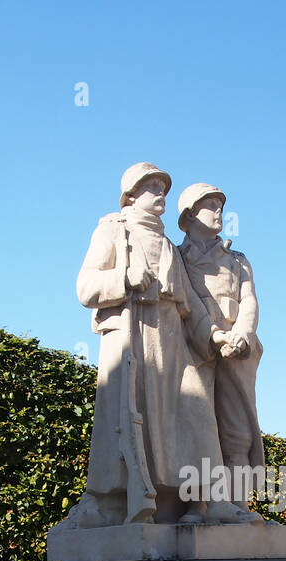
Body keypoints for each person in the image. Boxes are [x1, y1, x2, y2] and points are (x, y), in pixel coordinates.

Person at [63, 163, 253, 527]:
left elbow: (191, 304)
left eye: (163, 187)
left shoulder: (167, 244)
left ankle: (211, 501)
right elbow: (85, 287)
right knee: (122, 421)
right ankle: (110, 500)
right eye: (151, 187)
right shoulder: (112, 231)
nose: (160, 193)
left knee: (198, 414)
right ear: (131, 195)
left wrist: (211, 334)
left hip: (172, 339)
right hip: (131, 338)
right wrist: (124, 278)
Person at [177, 183, 267, 513]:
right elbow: (182, 302)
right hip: (193, 348)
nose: (219, 212)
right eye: (210, 206)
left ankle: (238, 507)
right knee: (195, 429)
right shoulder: (176, 258)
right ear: (188, 215)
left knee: (237, 434)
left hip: (236, 350)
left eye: (220, 206)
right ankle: (195, 508)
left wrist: (243, 333)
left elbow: (249, 300)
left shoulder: (237, 260)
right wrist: (212, 335)